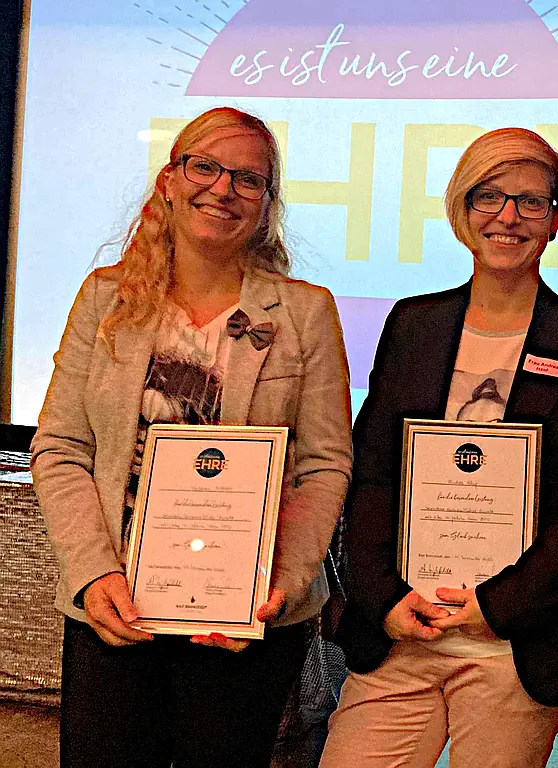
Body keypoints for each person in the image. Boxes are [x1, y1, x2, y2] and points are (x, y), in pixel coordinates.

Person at [31, 106, 353, 768]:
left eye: (248, 178)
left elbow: (324, 467)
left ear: (266, 205)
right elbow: (61, 448)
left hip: (247, 615)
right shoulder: (105, 301)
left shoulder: (305, 312)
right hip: (115, 607)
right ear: (170, 181)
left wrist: (286, 581)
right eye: (204, 166)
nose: (223, 188)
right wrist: (94, 573)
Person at [322, 128, 558, 767]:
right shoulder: (414, 324)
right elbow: (375, 474)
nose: (508, 217)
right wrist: (382, 599)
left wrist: (497, 605)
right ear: (462, 212)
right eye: (488, 197)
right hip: (403, 632)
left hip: (514, 640)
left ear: (555, 221)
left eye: (530, 202)